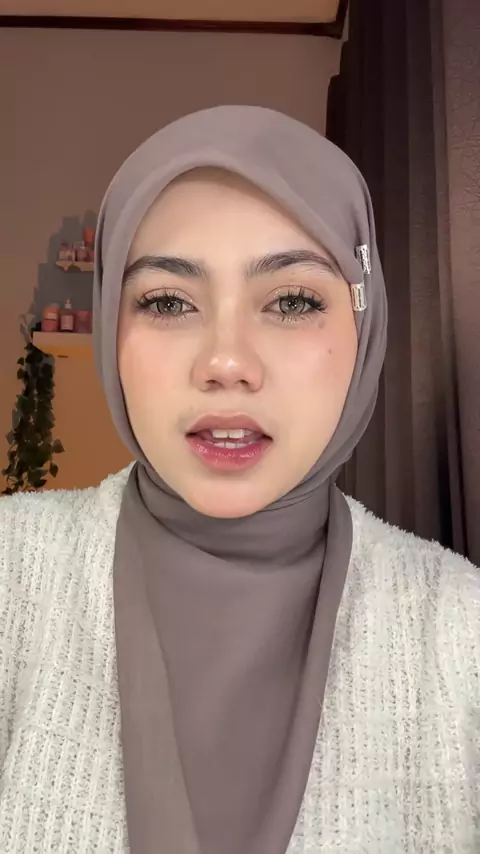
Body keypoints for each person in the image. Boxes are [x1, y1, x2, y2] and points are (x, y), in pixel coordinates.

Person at [0, 106, 478, 854]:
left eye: (292, 301)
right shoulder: (12, 580)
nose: (226, 362)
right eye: (167, 302)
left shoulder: (459, 631)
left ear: (365, 325)